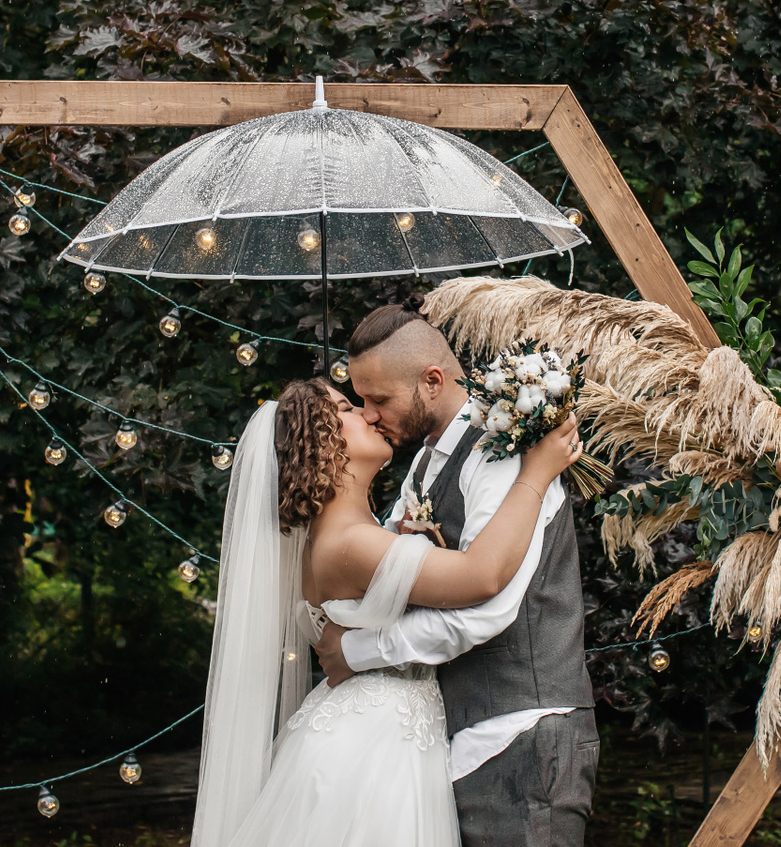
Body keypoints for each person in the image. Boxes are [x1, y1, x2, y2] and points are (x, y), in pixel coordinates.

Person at [189, 370, 583, 847]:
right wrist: (536, 475)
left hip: (374, 733)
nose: (367, 414)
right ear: (321, 444)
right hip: (371, 751)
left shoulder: (356, 533)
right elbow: (480, 576)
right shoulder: (351, 543)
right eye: (346, 409)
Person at [316, 302, 600, 847]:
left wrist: (355, 652)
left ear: (431, 381)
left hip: (522, 729)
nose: (369, 414)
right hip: (460, 732)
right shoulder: (425, 463)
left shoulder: (505, 452)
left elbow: (486, 610)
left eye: (379, 399)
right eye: (361, 401)